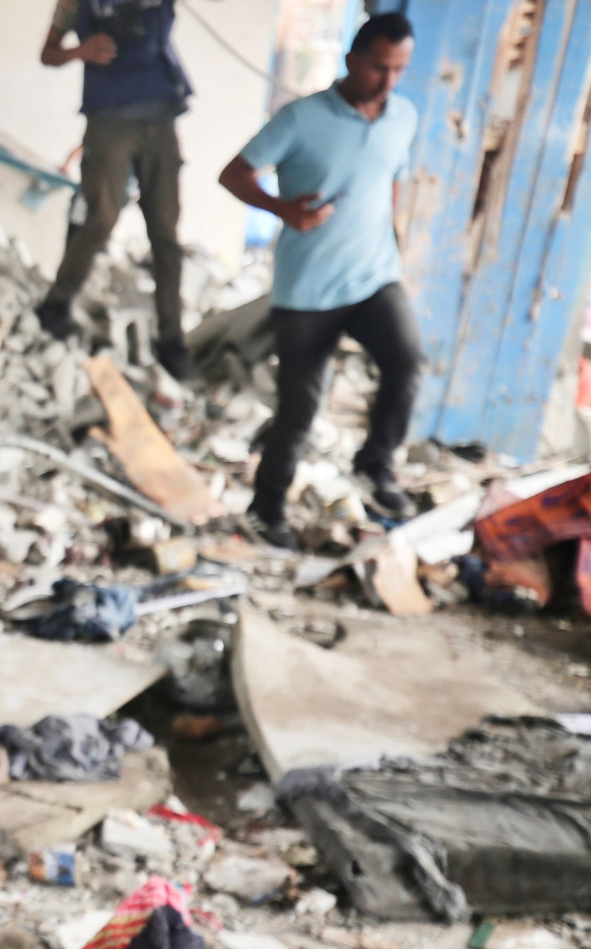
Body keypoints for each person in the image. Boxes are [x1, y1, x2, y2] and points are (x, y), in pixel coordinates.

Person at [218, 12, 421, 549]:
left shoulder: (404, 118)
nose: (388, 82)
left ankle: (375, 466)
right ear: (352, 60)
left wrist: (398, 248)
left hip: (375, 275)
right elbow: (234, 174)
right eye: (379, 67)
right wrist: (282, 208)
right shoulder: (301, 118)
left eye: (399, 69)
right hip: (307, 289)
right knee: (300, 409)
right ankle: (267, 510)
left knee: (406, 360)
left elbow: (391, 184)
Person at [35, 0, 194, 380]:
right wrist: (80, 51)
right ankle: (57, 303)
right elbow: (48, 52)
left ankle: (172, 338)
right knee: (101, 217)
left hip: (159, 114)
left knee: (165, 233)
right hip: (108, 117)